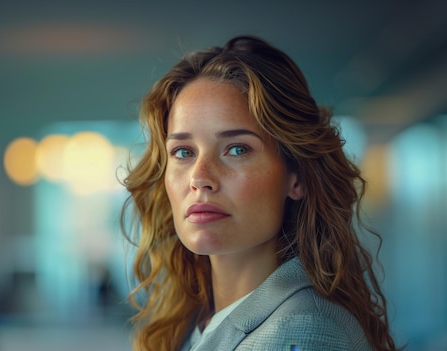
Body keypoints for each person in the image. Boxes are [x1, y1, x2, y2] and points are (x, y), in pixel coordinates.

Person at [121, 35, 400, 350]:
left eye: (237, 149)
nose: (200, 178)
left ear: (296, 177)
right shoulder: (195, 323)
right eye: (184, 152)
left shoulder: (304, 332)